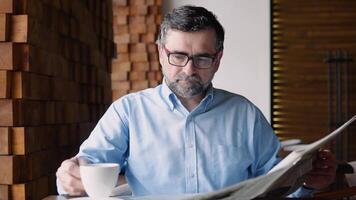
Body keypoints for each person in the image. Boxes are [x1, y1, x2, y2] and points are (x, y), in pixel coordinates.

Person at [56, 5, 336, 197]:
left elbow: (278, 185)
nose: (189, 70)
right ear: (160, 53)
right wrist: (70, 175)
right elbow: (84, 168)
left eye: (202, 58)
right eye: (178, 56)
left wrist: (310, 183)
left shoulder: (245, 114)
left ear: (218, 59)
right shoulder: (127, 112)